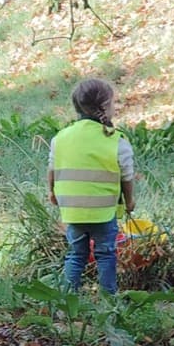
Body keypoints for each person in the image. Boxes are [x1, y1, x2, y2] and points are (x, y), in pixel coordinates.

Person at [48, 78, 134, 294]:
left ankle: (68, 299)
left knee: (76, 254)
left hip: (73, 211)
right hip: (103, 213)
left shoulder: (61, 138)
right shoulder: (116, 139)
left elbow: (52, 168)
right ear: (105, 106)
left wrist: (51, 192)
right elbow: (127, 175)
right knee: (106, 254)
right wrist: (129, 200)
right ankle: (108, 299)